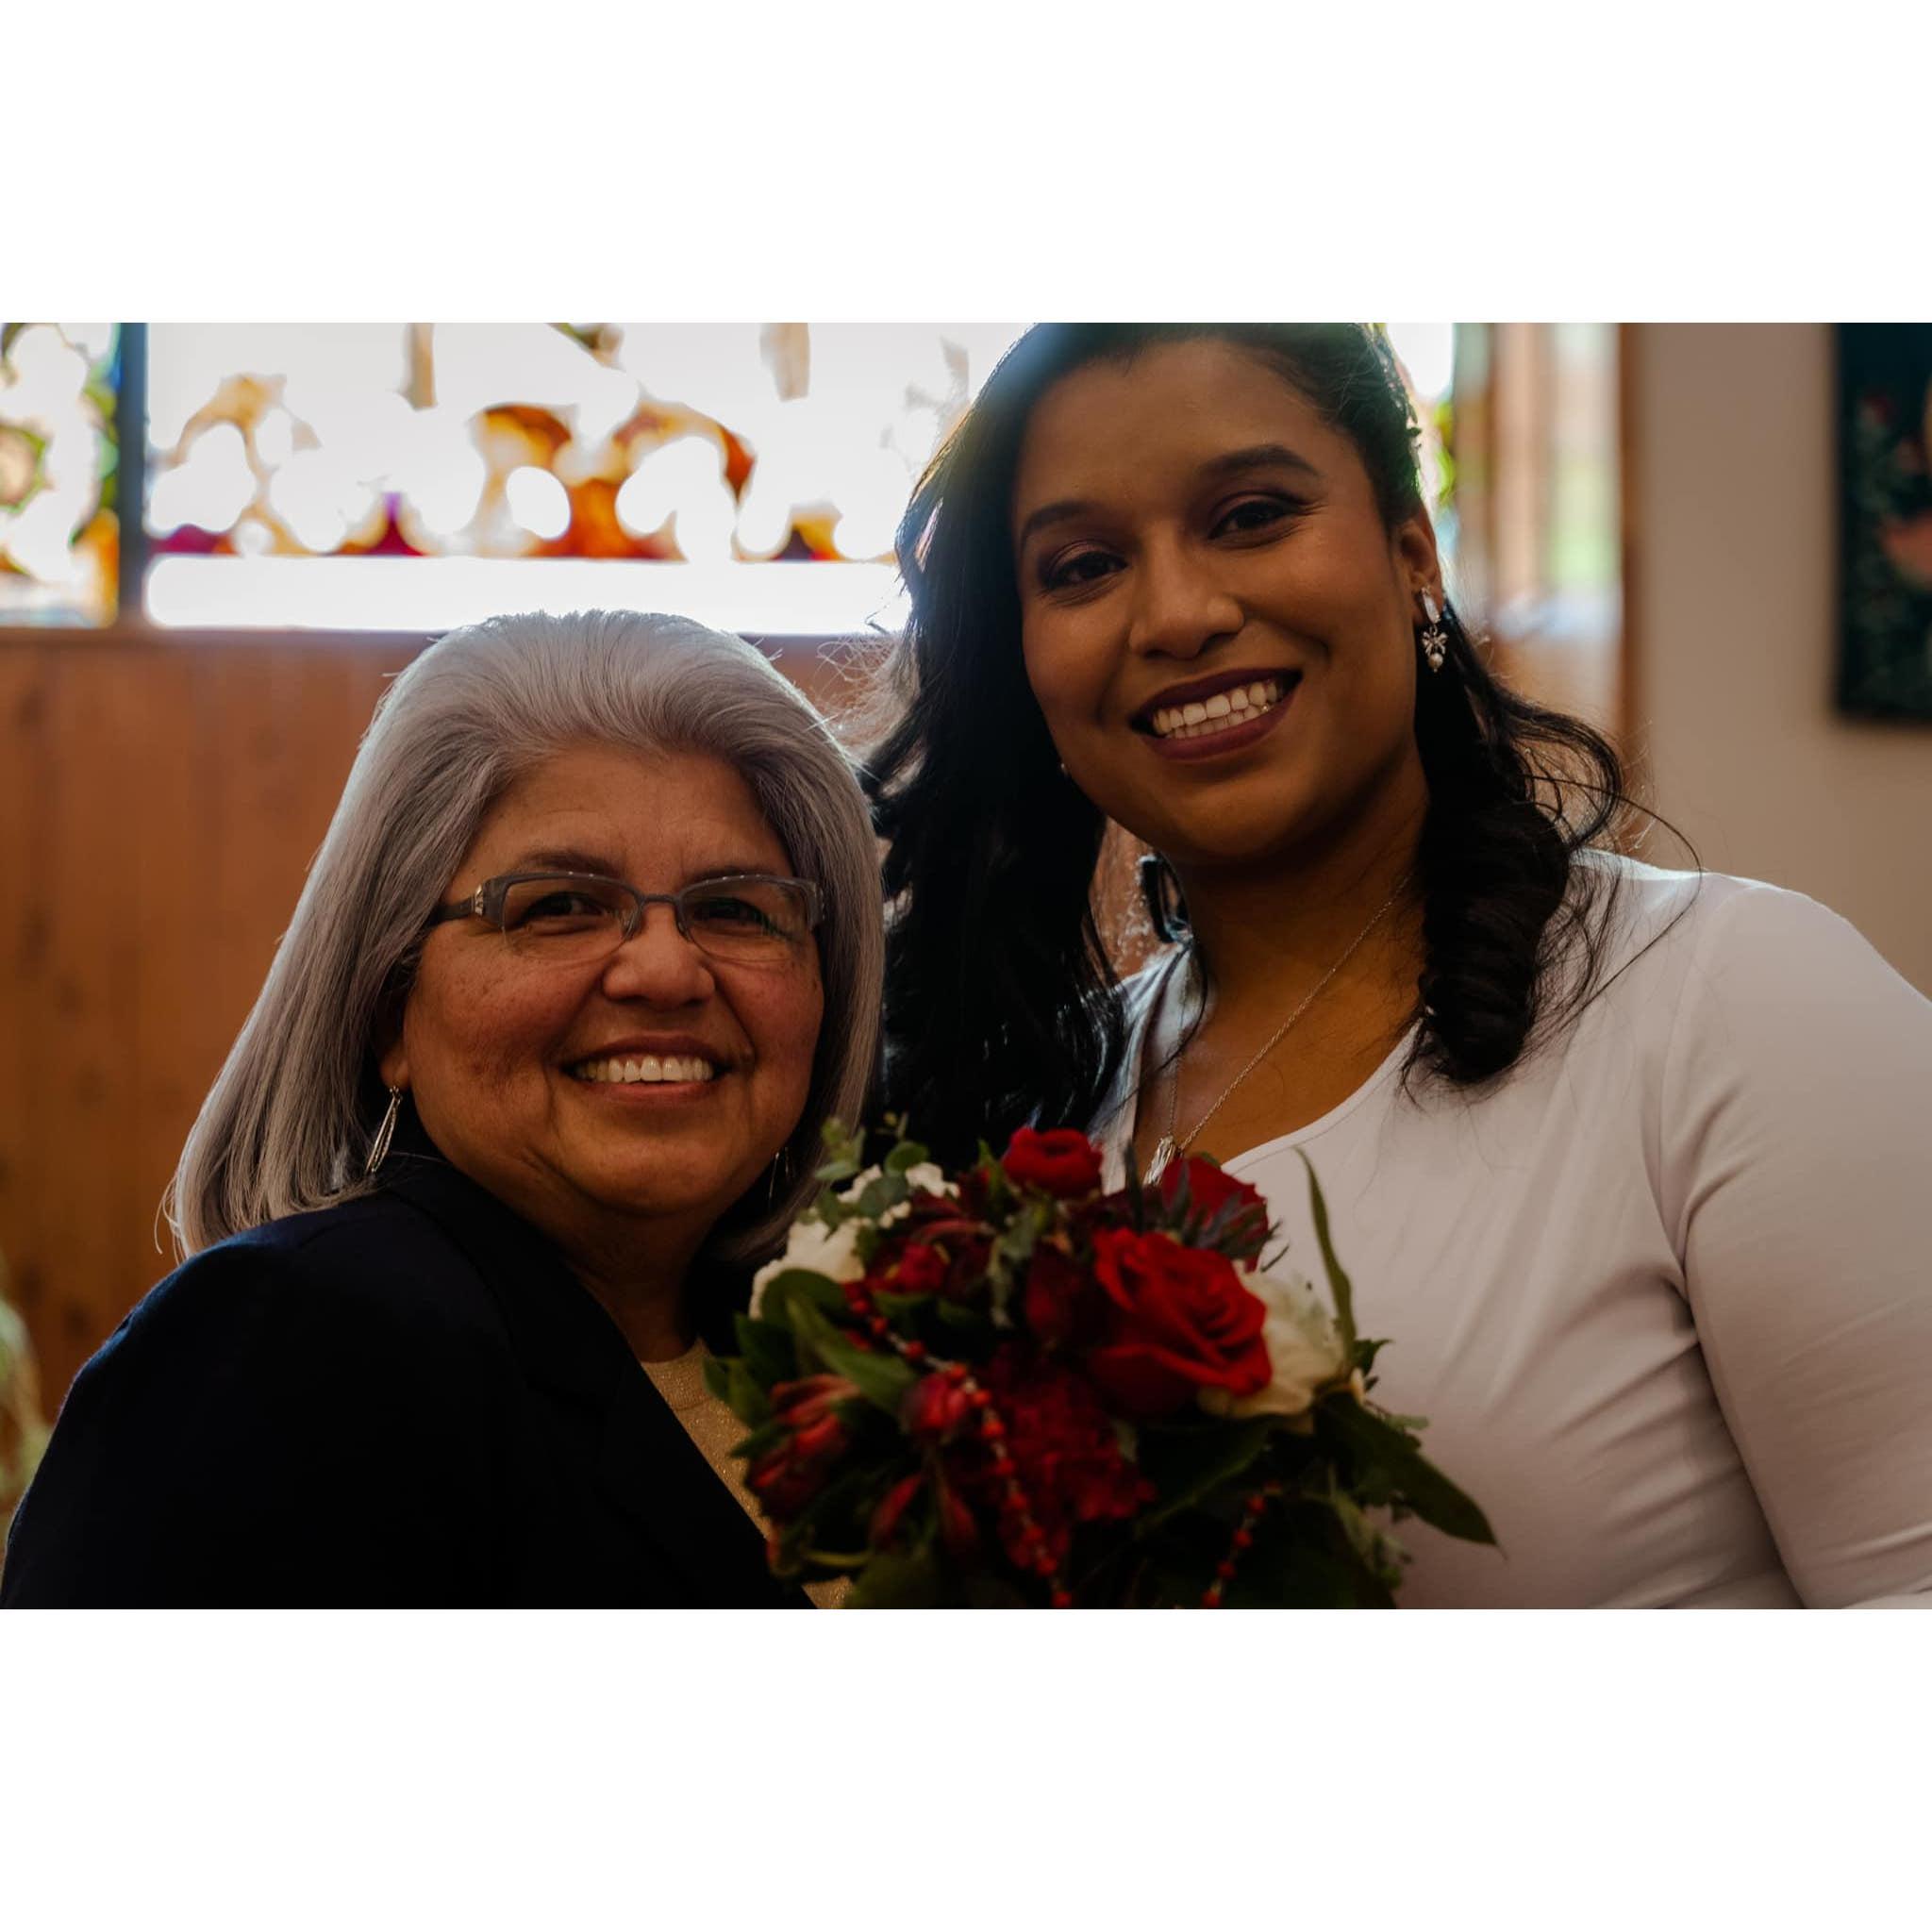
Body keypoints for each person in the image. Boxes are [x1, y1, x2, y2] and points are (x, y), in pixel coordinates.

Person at [868, 324, 1932, 1608]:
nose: (1181, 613)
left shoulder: (1735, 1002)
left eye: (1251, 516)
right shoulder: (1029, 1116)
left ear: (1412, 551)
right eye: (1083, 565)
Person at [2, 609, 882, 1607]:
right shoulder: (291, 1347)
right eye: (558, 906)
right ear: (389, 1008)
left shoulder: (853, 1356)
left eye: (734, 907)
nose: (666, 971)